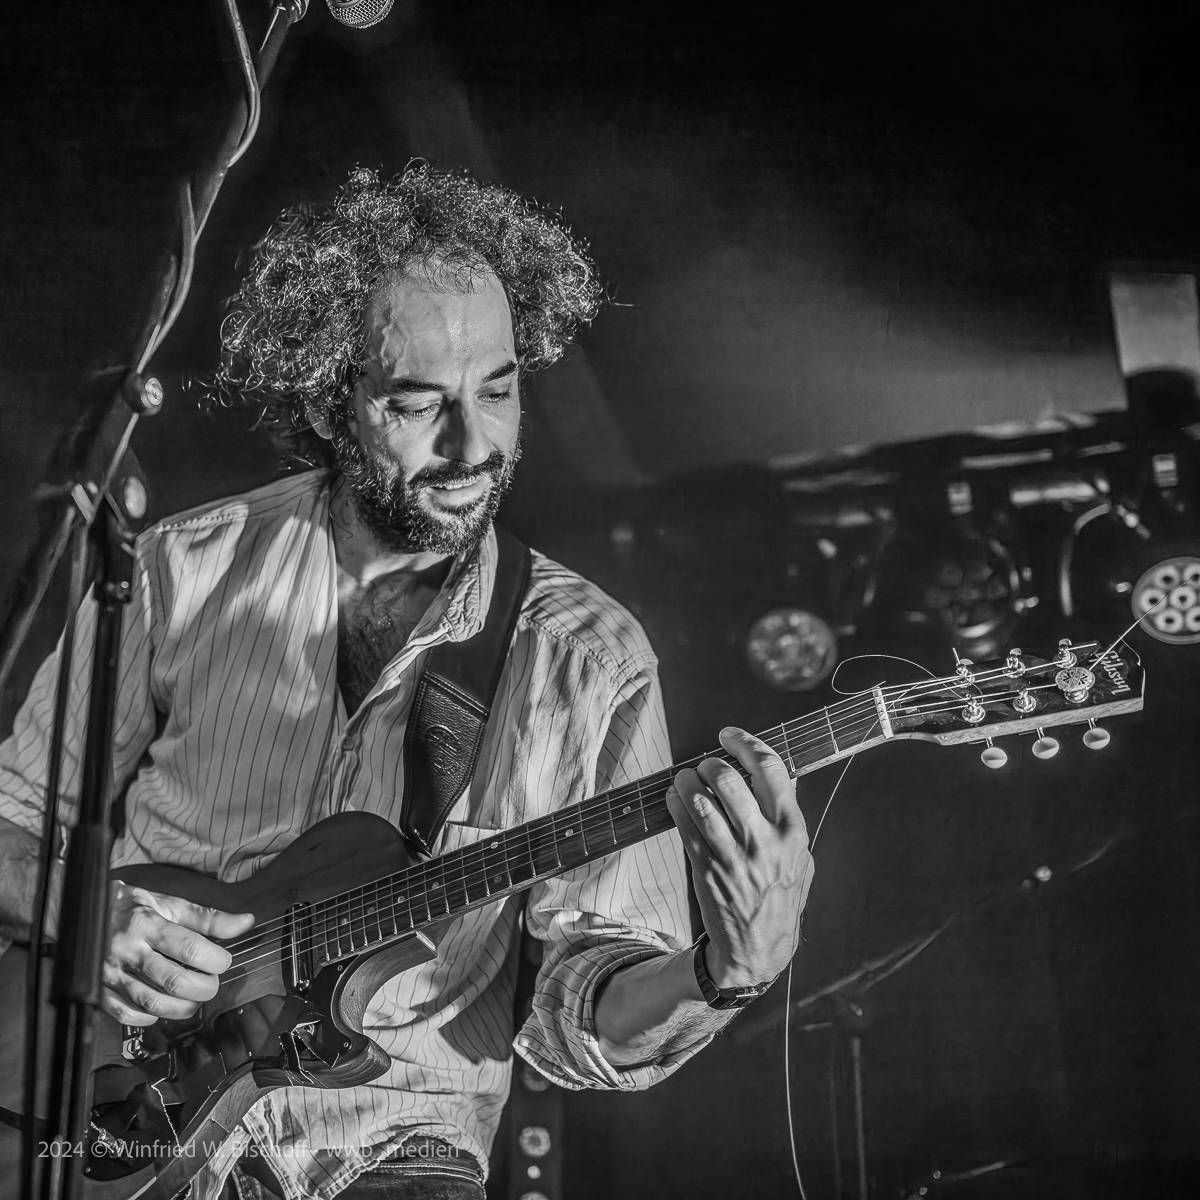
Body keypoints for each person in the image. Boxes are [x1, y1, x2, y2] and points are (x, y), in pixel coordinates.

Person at [0, 164, 814, 1199]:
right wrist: (88, 918)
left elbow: (584, 1018)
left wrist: (724, 973)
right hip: (116, 1109)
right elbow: (10, 819)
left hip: (394, 1148)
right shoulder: (179, 569)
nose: (473, 445)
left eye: (498, 391)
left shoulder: (590, 659)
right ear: (328, 397)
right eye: (418, 402)